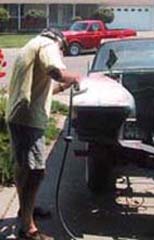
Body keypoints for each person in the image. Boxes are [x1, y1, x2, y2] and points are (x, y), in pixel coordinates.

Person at [6, 28, 81, 240]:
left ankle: (25, 210)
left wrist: (64, 87)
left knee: (24, 169)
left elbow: (42, 88)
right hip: (29, 120)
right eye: (62, 50)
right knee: (36, 173)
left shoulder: (30, 46)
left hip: (19, 116)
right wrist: (75, 77)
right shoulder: (48, 45)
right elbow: (55, 71)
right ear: (60, 42)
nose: (61, 54)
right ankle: (28, 230)